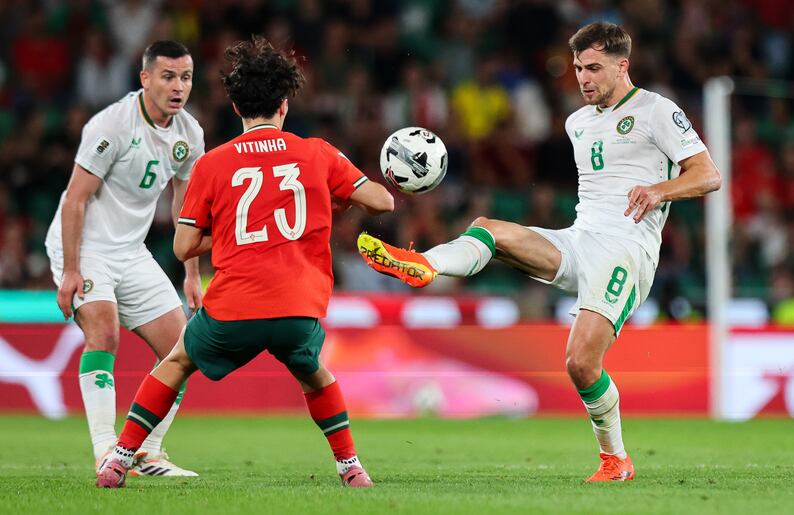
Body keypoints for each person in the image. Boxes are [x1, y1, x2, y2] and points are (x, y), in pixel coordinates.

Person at [358, 22, 721, 482]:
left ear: (622, 65)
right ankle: (424, 266)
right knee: (489, 230)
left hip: (626, 252)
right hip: (579, 240)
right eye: (577, 68)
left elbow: (708, 174)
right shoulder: (577, 122)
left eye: (593, 68)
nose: (583, 78)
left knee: (580, 363)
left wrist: (659, 190)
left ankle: (616, 459)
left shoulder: (657, 111)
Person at [95, 36, 394, 489]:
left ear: (235, 107)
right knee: (314, 373)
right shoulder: (318, 152)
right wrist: (338, 202)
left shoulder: (212, 165)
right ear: (284, 105)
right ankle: (351, 467)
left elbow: (182, 246)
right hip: (298, 307)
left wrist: (237, 227)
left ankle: (118, 458)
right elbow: (382, 201)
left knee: (175, 362)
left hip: (235, 307)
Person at [45, 40, 204, 477]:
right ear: (145, 78)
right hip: (83, 244)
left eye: (186, 77)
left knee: (184, 348)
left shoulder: (190, 134)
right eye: (168, 76)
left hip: (130, 251)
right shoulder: (112, 124)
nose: (178, 87)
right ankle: (105, 449)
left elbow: (186, 209)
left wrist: (191, 273)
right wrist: (72, 271)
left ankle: (148, 452)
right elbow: (76, 200)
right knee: (105, 331)